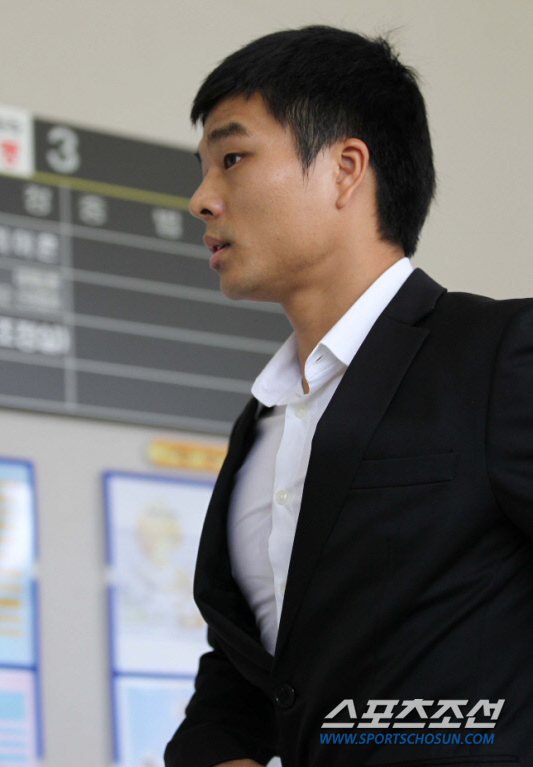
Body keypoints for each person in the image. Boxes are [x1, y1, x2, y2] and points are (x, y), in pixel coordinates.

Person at [164, 25, 533, 767]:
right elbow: (248, 678)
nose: (201, 199)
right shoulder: (262, 423)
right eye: (201, 169)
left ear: (344, 168)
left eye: (232, 158)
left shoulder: (501, 354)